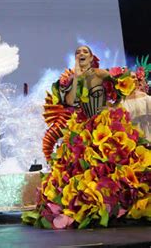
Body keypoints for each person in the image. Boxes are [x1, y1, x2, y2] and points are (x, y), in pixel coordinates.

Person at [23, 45, 151, 229]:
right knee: (80, 165)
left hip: (104, 122)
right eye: (78, 52)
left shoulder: (101, 74)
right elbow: (69, 101)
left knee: (115, 161)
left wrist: (120, 97)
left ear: (91, 57)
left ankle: (121, 201)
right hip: (83, 125)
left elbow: (119, 87)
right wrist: (76, 75)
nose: (81, 54)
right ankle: (91, 204)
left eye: (85, 52)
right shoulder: (73, 79)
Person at [122, 68, 151, 141]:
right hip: (130, 136)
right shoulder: (121, 100)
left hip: (147, 134)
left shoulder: (145, 97)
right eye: (132, 77)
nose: (135, 79)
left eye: (135, 77)